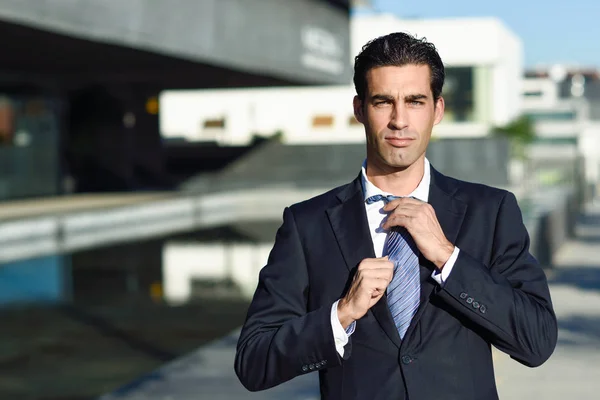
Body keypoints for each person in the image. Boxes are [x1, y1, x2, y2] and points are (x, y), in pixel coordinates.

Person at [234, 32, 557, 400]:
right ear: (360, 110)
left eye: (415, 101)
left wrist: (448, 258)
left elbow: (537, 341)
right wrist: (340, 315)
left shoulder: (491, 211)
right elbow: (253, 361)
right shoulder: (307, 224)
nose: (399, 120)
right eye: (383, 101)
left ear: (437, 110)